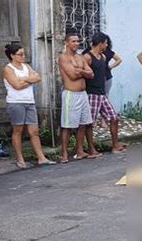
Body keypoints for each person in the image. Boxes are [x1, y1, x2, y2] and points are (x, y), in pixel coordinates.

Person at [3, 42, 56, 168]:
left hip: (29, 102)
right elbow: (16, 85)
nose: (23, 56)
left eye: (23, 54)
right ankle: (20, 158)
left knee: (34, 131)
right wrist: (29, 80)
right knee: (18, 131)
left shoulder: (26, 66)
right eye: (20, 54)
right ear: (12, 55)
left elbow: (37, 78)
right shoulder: (8, 68)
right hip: (16, 102)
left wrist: (24, 79)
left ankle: (41, 157)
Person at [83, 32, 126, 154]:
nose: (107, 45)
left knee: (114, 118)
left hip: (102, 93)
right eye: (105, 43)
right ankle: (91, 149)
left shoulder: (103, 57)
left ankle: (115, 145)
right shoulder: (87, 57)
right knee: (90, 123)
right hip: (92, 94)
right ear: (100, 43)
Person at [58, 33, 95, 163]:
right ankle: (64, 154)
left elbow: (91, 74)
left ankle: (80, 151)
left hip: (82, 94)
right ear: (67, 43)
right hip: (71, 94)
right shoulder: (63, 57)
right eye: (73, 41)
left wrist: (81, 71)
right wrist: (83, 72)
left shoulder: (80, 57)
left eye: (78, 41)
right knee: (67, 125)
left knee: (83, 123)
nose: (76, 43)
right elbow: (72, 76)